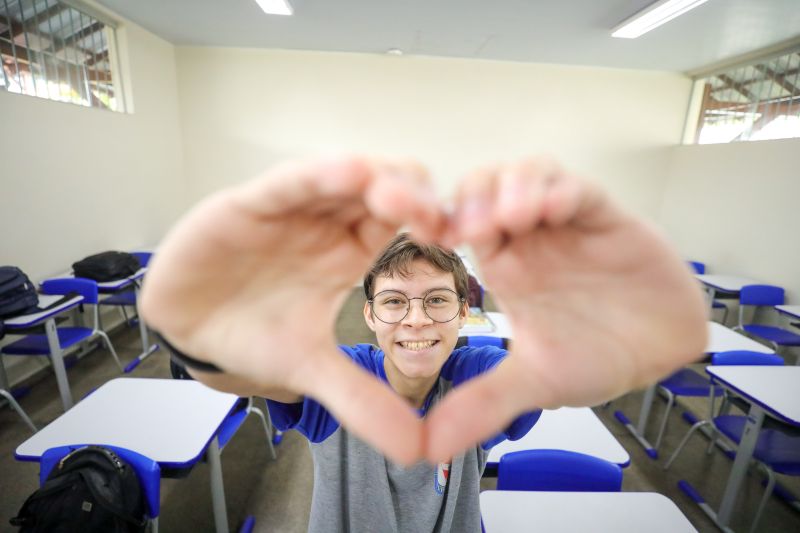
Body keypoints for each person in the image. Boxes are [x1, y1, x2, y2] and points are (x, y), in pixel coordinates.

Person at [140, 155, 707, 529]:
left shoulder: (471, 375)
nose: (415, 320)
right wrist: (189, 319)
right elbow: (239, 373)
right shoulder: (342, 382)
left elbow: (551, 374)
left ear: (464, 313)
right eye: (394, 302)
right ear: (368, 315)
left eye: (437, 300)